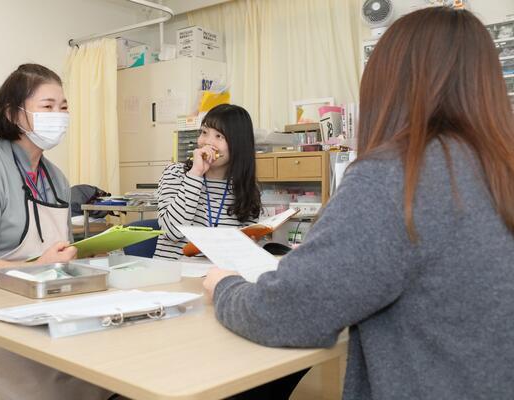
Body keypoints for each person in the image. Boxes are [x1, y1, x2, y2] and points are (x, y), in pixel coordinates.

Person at [203, 7, 514, 400]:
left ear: (388, 86)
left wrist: (225, 286)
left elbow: (287, 311)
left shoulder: (400, 174)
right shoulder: (497, 168)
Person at [0, 64, 112, 400]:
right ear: (13, 114)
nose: (59, 115)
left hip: (42, 295)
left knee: (104, 365)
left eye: (63, 107)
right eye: (47, 107)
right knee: (50, 389)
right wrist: (35, 268)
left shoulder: (56, 178)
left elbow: (57, 250)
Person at [154, 104, 261, 260]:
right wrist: (195, 173)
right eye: (204, 132)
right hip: (173, 274)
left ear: (238, 144)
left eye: (219, 136)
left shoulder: (245, 188)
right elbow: (171, 232)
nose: (208, 142)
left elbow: (242, 250)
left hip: (218, 275)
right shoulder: (175, 173)